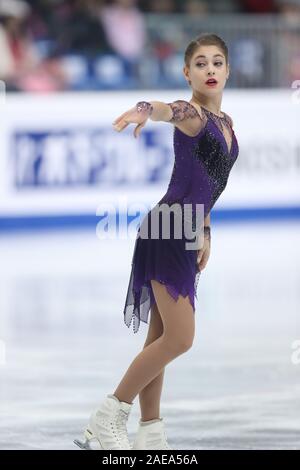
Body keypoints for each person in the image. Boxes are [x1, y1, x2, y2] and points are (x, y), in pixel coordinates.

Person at [74, 32, 239, 451]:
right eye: (200, 63)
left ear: (228, 69)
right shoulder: (194, 115)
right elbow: (168, 109)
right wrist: (143, 109)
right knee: (181, 339)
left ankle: (151, 432)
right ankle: (109, 414)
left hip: (183, 228)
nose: (210, 70)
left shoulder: (226, 123)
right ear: (187, 72)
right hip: (167, 227)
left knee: (160, 338)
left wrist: (204, 230)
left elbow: (209, 183)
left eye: (217, 62)